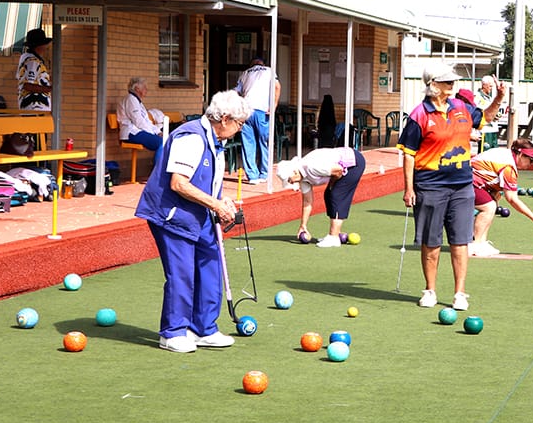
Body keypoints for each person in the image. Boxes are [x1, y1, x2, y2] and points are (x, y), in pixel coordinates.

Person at [135, 90, 251, 353]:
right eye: (239, 123)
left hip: (199, 214)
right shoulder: (191, 138)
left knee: (211, 263)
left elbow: (209, 183)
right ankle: (173, 332)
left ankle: (204, 328)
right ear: (223, 118)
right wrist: (215, 204)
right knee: (182, 273)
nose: (240, 129)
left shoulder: (217, 143)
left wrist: (224, 202)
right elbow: (178, 183)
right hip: (172, 214)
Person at [397, 62, 505, 312]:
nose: (452, 85)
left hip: (462, 187)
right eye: (447, 82)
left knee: (460, 242)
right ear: (432, 85)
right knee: (431, 243)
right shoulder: (419, 115)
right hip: (430, 187)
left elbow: (485, 118)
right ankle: (430, 290)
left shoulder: (461, 107)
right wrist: (409, 188)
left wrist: (498, 98)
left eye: (453, 81)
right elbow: (409, 154)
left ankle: (459, 293)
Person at [469, 137, 533, 256]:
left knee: (493, 202)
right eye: (531, 160)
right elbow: (511, 198)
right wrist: (532, 216)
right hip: (466, 181)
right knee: (488, 207)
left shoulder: (505, 154)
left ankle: (482, 242)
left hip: (469, 179)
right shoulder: (508, 167)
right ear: (520, 154)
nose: (531, 164)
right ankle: (475, 245)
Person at [276, 145, 366, 248]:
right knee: (328, 195)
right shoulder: (302, 178)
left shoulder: (311, 167)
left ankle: (334, 237)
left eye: (289, 180)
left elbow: (339, 171)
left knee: (336, 195)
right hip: (343, 166)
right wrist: (303, 225)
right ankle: (336, 233)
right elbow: (307, 202)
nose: (291, 182)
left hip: (354, 163)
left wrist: (332, 186)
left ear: (294, 172)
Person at [235, 55, 280, 184]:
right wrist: (274, 105)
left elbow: (237, 91)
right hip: (262, 111)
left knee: (248, 144)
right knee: (263, 142)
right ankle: (264, 173)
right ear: (262, 64)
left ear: (252, 64)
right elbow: (277, 87)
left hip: (247, 111)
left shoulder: (245, 73)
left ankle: (252, 176)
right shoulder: (269, 71)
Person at [117, 76, 166, 161]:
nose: (146, 90)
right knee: (161, 143)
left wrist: (158, 132)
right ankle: (157, 171)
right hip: (131, 133)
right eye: (144, 87)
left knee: (166, 141)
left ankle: (160, 170)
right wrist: (152, 134)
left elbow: (147, 121)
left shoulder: (138, 101)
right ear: (137, 88)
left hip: (139, 131)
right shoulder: (130, 99)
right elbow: (138, 121)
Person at [16, 28, 53, 112]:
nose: (45, 47)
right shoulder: (32, 61)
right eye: (44, 44)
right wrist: (49, 89)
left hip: (30, 107)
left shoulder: (25, 58)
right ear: (39, 45)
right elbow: (28, 85)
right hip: (35, 107)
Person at [474, 75, 501, 152]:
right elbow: (477, 112)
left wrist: (496, 114)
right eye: (490, 86)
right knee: (484, 154)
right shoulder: (477, 97)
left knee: (494, 154)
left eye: (492, 86)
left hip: (493, 129)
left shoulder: (490, 97)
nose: (491, 88)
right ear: (484, 85)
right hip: (484, 130)